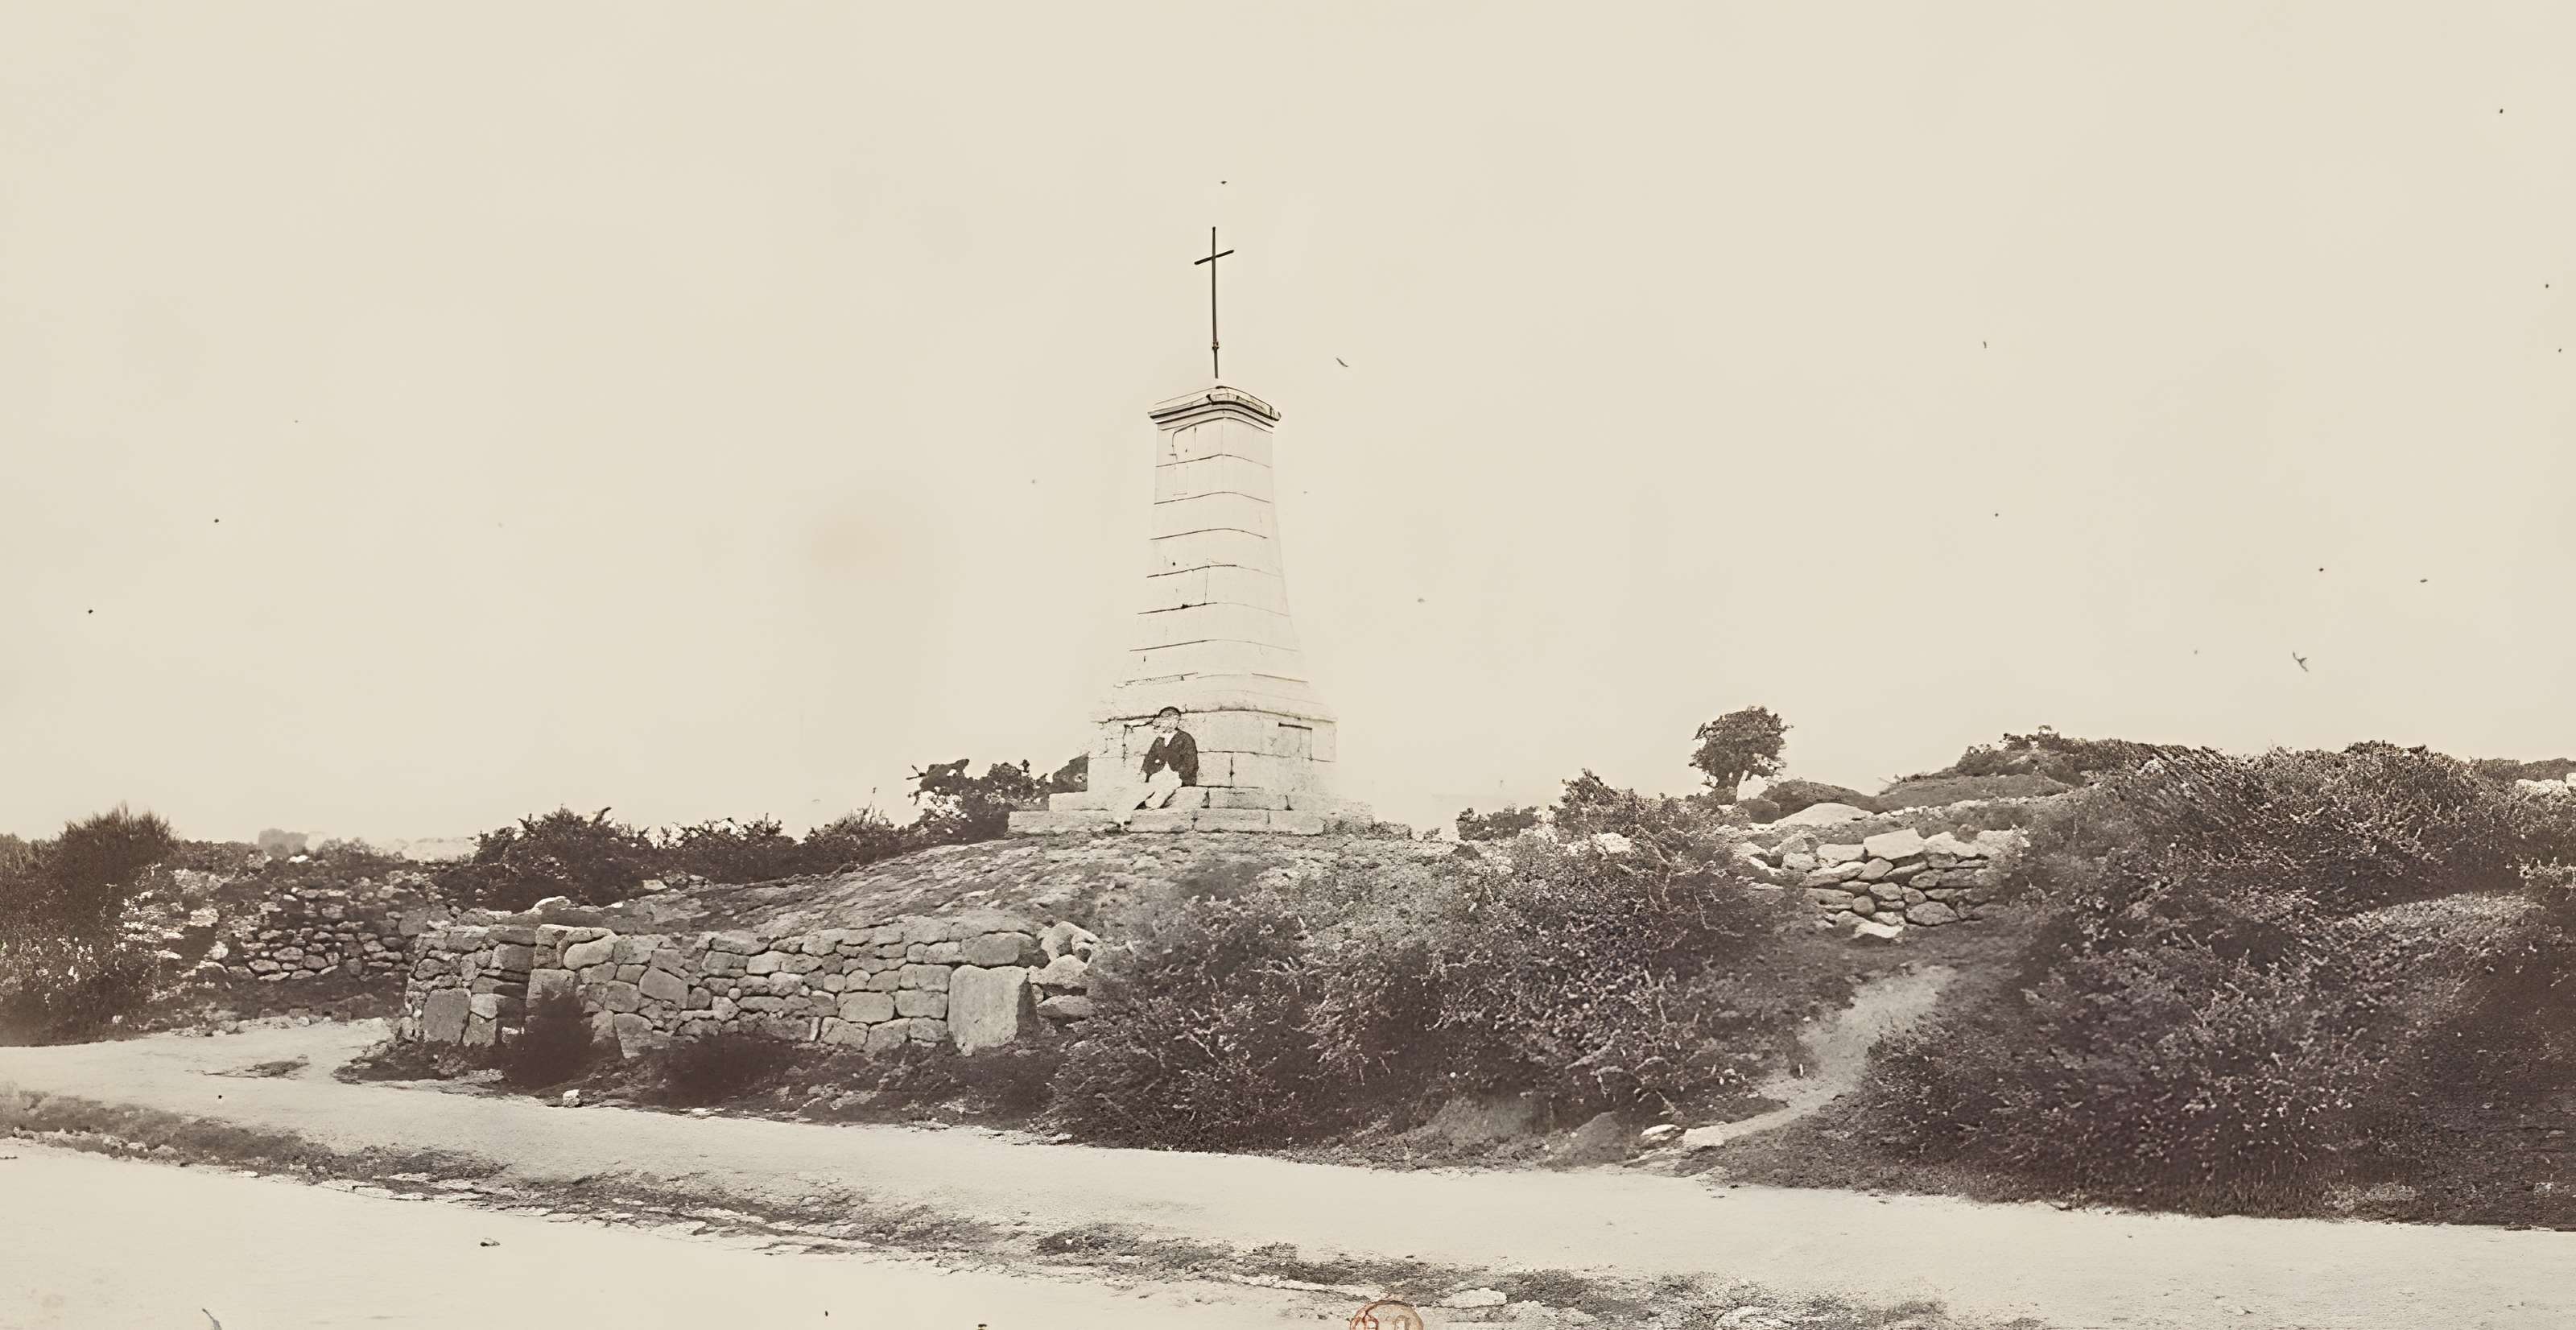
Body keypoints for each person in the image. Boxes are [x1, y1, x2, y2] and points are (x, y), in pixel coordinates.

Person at [1113, 706, 1198, 828]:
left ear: (1177, 720)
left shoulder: (1185, 738)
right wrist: (1145, 773)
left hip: (1177, 775)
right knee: (1143, 789)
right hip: (1159, 774)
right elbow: (1149, 758)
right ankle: (1123, 814)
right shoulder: (1159, 740)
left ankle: (1151, 805)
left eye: (1170, 719)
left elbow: (1191, 761)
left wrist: (1179, 774)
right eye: (1163, 719)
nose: (1166, 722)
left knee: (1165, 788)